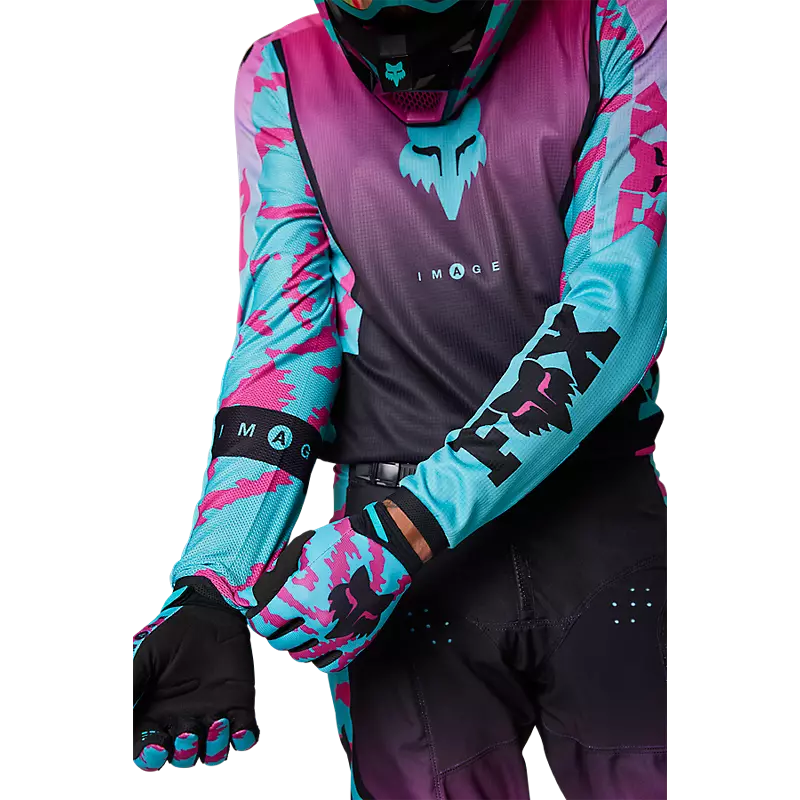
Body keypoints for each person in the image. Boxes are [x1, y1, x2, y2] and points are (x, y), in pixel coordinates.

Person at [132, 1, 667, 797]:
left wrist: (403, 530)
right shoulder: (282, 73)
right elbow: (287, 339)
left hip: (490, 534)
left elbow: (614, 311)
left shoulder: (616, 23)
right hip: (404, 556)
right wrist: (213, 582)